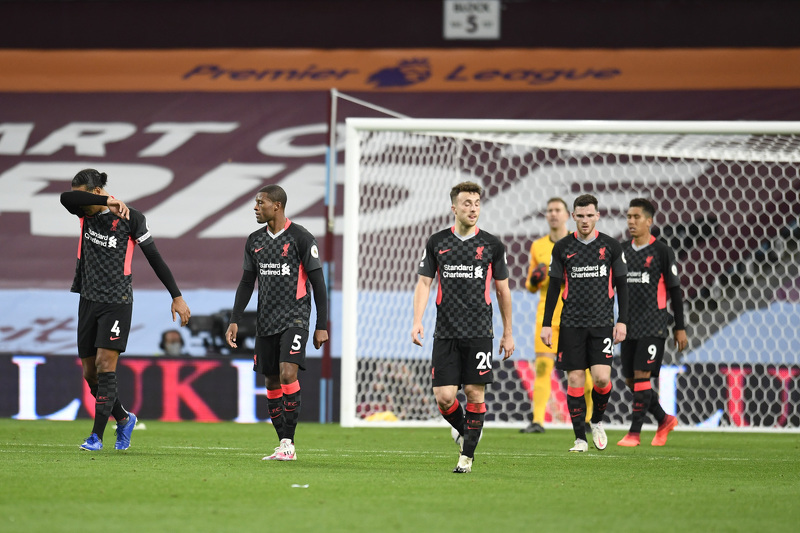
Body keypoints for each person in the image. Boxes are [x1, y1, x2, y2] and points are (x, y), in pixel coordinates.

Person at [60, 168, 191, 451]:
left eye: (84, 194)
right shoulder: (86, 211)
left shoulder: (131, 218)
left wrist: (176, 296)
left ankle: (95, 437)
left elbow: (154, 257)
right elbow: (64, 198)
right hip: (88, 299)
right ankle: (124, 418)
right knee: (89, 373)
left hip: (117, 302)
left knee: (105, 366)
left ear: (95, 191)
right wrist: (107, 202)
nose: (78, 199)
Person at [411, 181, 515, 473]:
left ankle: (466, 457)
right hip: (445, 332)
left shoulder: (492, 245)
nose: (473, 208)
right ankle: (470, 431)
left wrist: (508, 332)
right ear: (453, 208)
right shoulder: (437, 242)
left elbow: (503, 291)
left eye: (477, 203)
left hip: (480, 331)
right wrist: (417, 320)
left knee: (473, 392)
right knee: (444, 399)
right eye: (467, 203)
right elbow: (424, 283)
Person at [225, 184, 328, 461]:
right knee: (271, 380)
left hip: (295, 317)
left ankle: (289, 442)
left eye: (261, 203)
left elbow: (318, 283)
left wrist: (322, 324)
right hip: (266, 320)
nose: (256, 208)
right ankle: (283, 443)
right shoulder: (254, 241)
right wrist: (235, 319)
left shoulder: (301, 238)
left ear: (277, 206)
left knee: (286, 374)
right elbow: (247, 282)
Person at [540, 194, 628, 453]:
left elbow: (622, 286)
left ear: (597, 216)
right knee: (575, 379)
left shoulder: (611, 246)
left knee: (601, 379)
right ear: (574, 216)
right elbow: (554, 287)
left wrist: (622, 320)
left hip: (602, 323)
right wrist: (547, 324)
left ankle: (597, 421)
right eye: (581, 215)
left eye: (590, 215)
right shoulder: (563, 247)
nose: (585, 220)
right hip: (571, 325)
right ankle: (580, 438)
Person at [617, 198, 688, 447]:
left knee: (642, 376)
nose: (631, 221)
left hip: (654, 324)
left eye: (636, 217)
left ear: (649, 221)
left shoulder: (662, 251)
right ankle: (664, 419)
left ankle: (634, 433)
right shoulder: (622, 251)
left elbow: (675, 291)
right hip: (628, 325)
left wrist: (680, 327)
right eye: (628, 217)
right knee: (630, 380)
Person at [521, 197, 595, 434]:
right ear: (546, 216)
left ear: (568, 215)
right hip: (548, 315)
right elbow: (531, 285)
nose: (553, 214)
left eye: (558, 210)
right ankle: (538, 421)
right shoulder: (538, 246)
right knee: (543, 367)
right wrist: (534, 279)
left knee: (583, 370)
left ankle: (590, 418)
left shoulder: (579, 243)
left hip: (576, 313)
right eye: (550, 210)